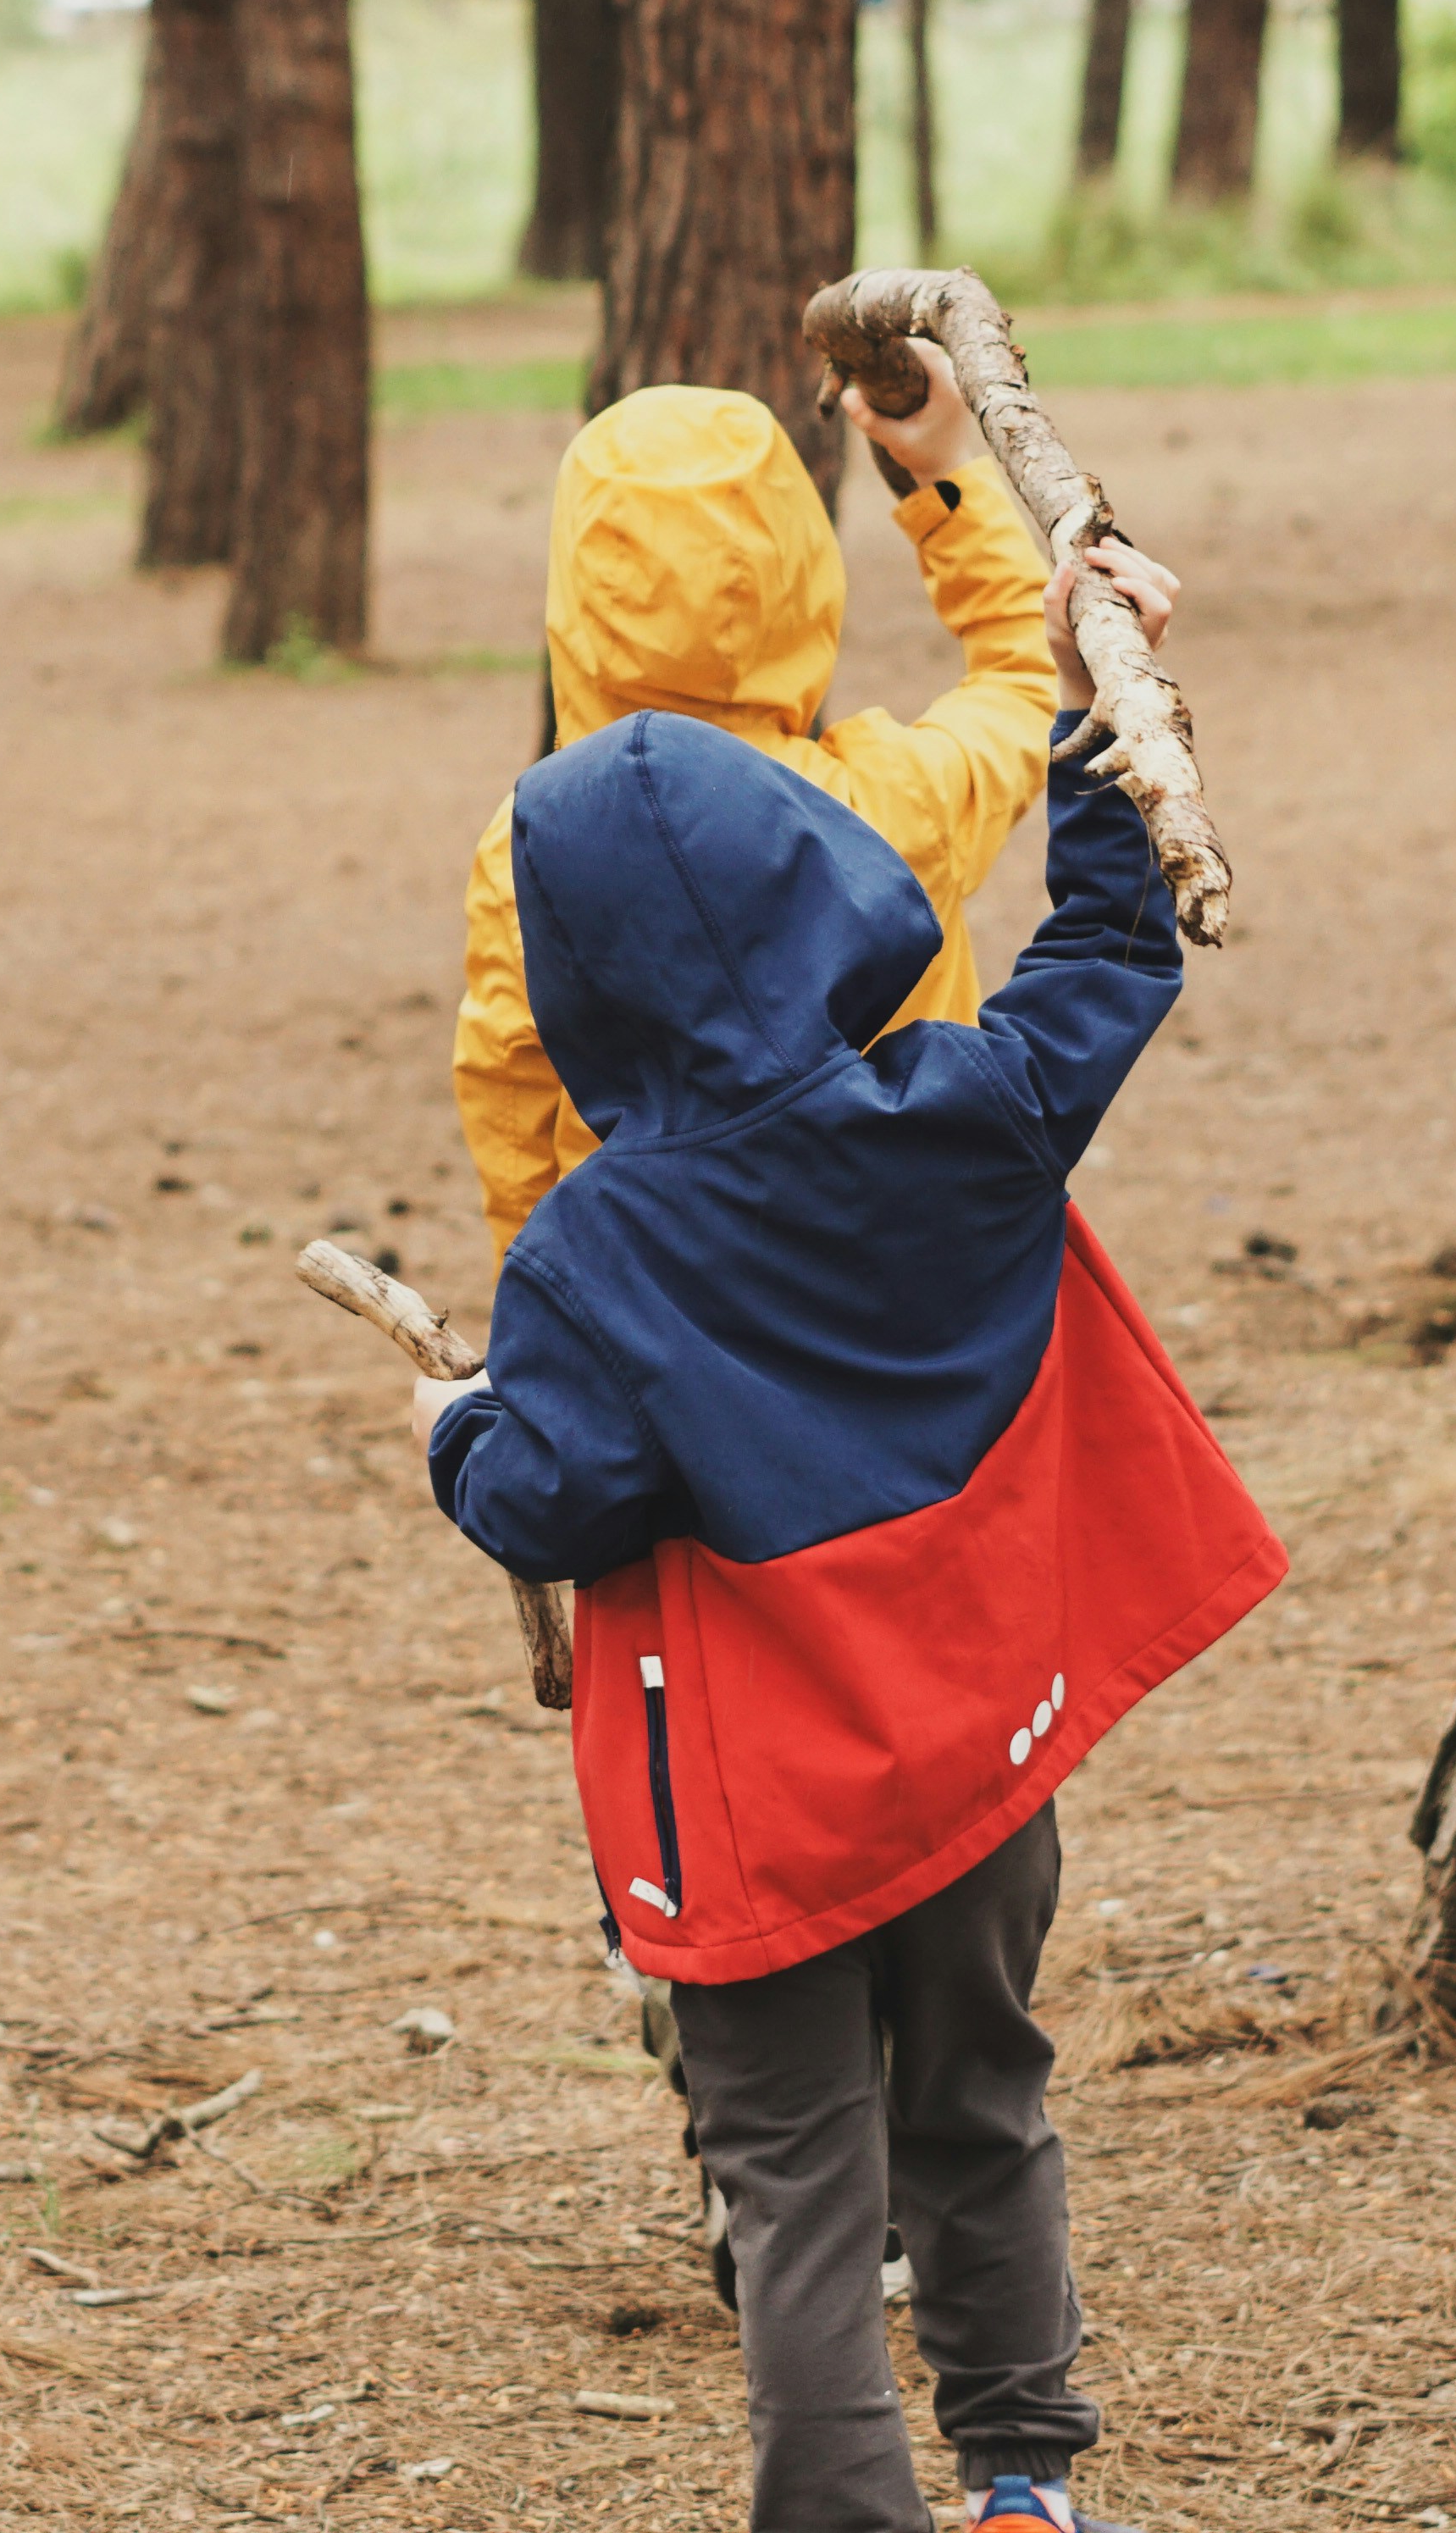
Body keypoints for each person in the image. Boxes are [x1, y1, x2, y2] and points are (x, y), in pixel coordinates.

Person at [415, 566, 1286, 2533]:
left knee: (799, 2182)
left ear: (575, 975)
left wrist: (456, 1428)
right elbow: (1107, 951)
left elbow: (556, 1495)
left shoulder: (590, 1250)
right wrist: (1093, 710)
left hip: (762, 1800)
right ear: (824, 884)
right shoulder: (965, 1112)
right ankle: (1026, 2485)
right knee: (979, 2104)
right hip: (980, 1753)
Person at [452, 350, 1061, 1254]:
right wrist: (943, 474)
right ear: (801, 568)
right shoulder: (896, 800)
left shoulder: (535, 841)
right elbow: (1028, 673)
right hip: (902, 1290)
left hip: (658, 1308)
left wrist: (542, 1301)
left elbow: (509, 1085)